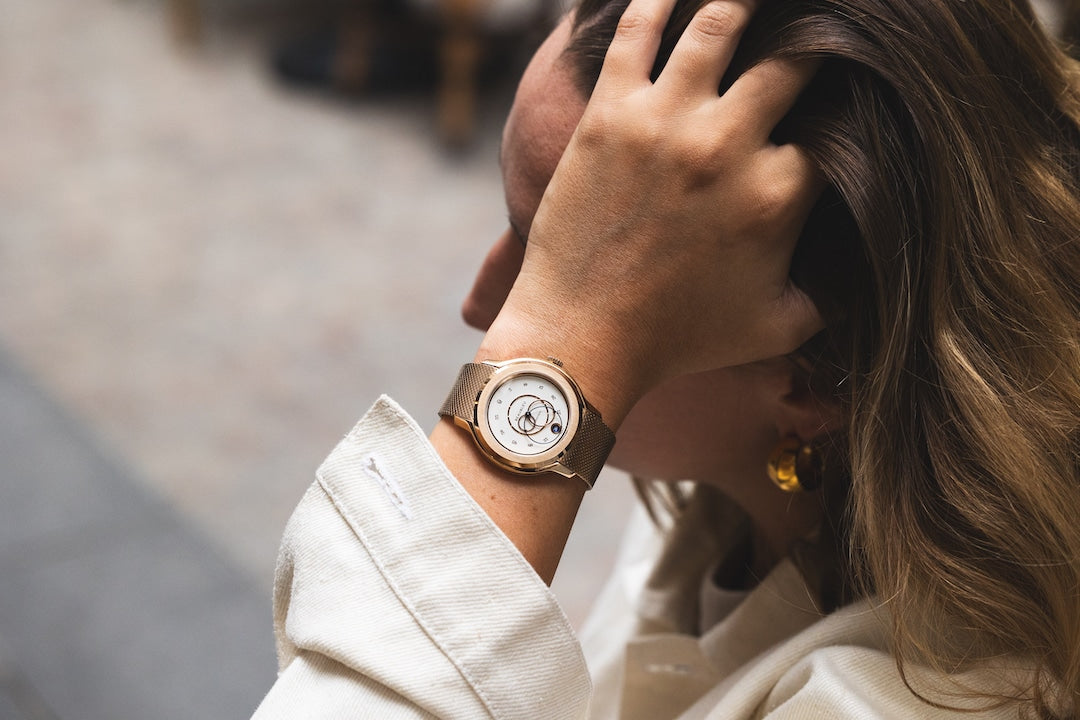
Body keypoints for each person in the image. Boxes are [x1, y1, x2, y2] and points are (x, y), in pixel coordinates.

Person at [252, 0, 1080, 717]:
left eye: (582, 268)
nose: (482, 312)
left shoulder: (915, 703)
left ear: (816, 382)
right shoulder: (739, 501)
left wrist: (566, 350)